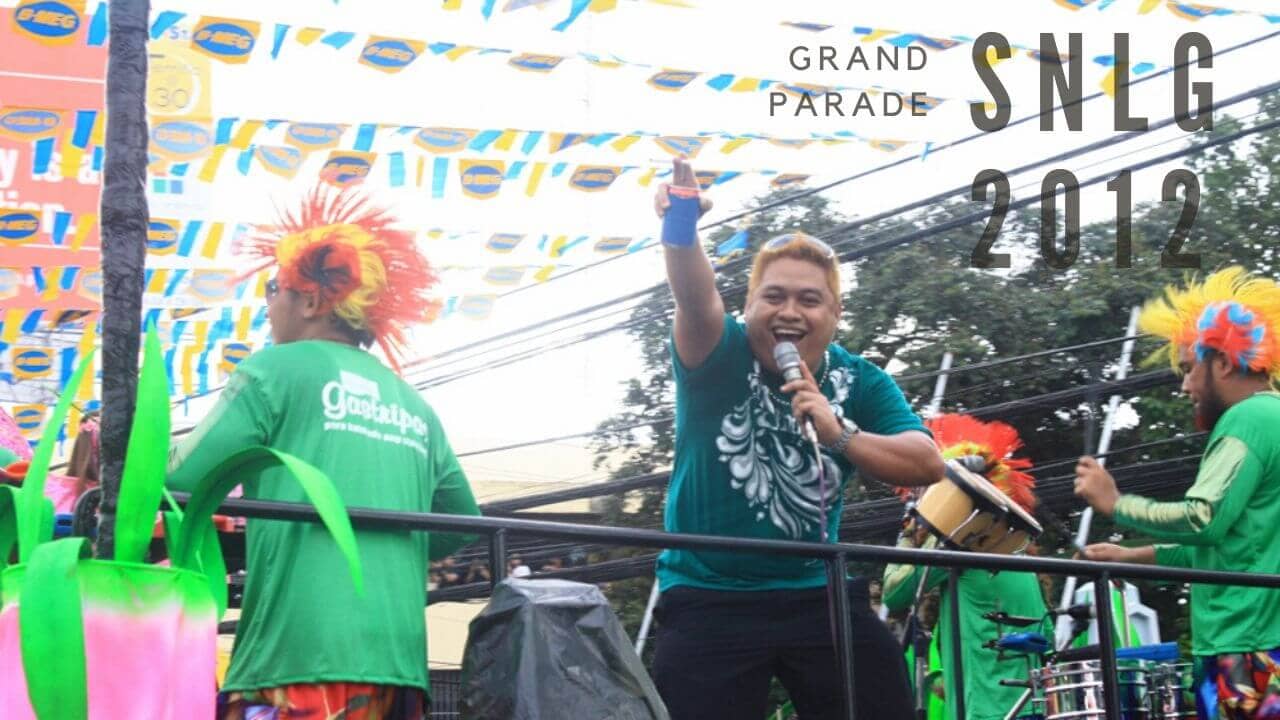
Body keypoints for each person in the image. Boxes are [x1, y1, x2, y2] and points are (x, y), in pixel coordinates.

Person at [167, 187, 481, 720]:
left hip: (292, 662)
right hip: (400, 673)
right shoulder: (415, 406)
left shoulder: (273, 370)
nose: (268, 306)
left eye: (273, 289)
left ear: (311, 301)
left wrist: (122, 451)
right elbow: (460, 524)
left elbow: (183, 478)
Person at [649, 157, 944, 720]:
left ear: (835, 314)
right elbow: (694, 294)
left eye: (809, 300)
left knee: (883, 695)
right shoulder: (718, 350)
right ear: (748, 307)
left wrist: (839, 431)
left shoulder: (860, 380)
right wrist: (681, 223)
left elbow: (926, 463)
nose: (789, 312)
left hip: (815, 591)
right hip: (710, 593)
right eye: (773, 297)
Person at [1074, 267, 1280, 720]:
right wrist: (1131, 556)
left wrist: (1117, 504)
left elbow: (1202, 519)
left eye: (1188, 369)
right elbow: (1220, 550)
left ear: (1222, 363)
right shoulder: (1271, 418)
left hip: (1249, 646)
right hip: (1253, 642)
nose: (1184, 386)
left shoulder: (1248, 419)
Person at [882, 414, 1049, 720]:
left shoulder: (961, 540)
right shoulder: (1018, 554)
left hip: (985, 712)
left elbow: (895, 593)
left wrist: (911, 528)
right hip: (1031, 706)